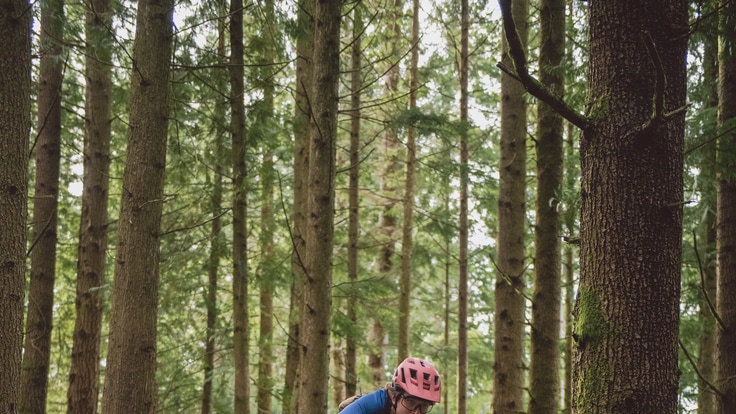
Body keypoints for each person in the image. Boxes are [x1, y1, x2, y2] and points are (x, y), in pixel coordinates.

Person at [339, 357, 441, 414]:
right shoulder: (373, 404)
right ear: (394, 396)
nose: (417, 412)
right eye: (410, 402)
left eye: (424, 405)